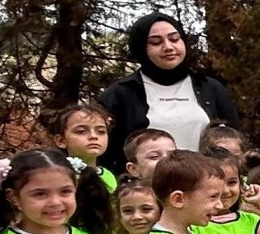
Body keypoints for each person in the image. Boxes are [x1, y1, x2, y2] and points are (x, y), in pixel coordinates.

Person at [98, 13, 240, 173]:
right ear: (141, 48)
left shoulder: (211, 88)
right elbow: (104, 155)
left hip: (205, 187)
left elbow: (233, 141)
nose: (168, 47)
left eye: (174, 39)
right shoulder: (120, 94)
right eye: (156, 42)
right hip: (145, 191)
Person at [47, 101, 119, 191]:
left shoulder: (108, 176)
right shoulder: (56, 176)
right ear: (61, 140)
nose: (93, 136)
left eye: (101, 132)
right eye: (81, 131)